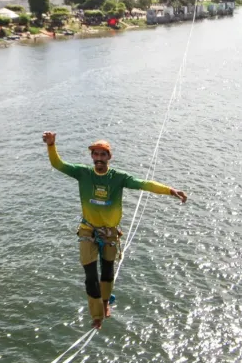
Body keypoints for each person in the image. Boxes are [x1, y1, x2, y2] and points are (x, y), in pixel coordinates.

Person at [42, 131, 187, 330]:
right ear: (92, 157)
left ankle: (105, 303)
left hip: (109, 233)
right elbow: (58, 164)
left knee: (108, 272)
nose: (99, 158)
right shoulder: (82, 173)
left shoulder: (118, 178)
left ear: (109, 157)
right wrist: (51, 145)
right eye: (96, 154)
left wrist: (170, 191)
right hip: (88, 230)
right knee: (91, 276)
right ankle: (97, 315)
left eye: (103, 155)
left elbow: (144, 184)